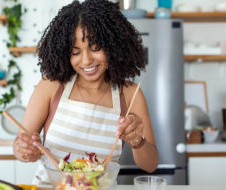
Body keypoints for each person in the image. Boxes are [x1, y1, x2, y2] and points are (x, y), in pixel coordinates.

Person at [12, 0, 158, 185]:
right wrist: (24, 150)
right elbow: (21, 145)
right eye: (75, 51)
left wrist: (137, 141)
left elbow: (150, 165)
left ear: (113, 45)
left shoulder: (130, 94)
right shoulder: (51, 86)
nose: (87, 60)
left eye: (95, 48)